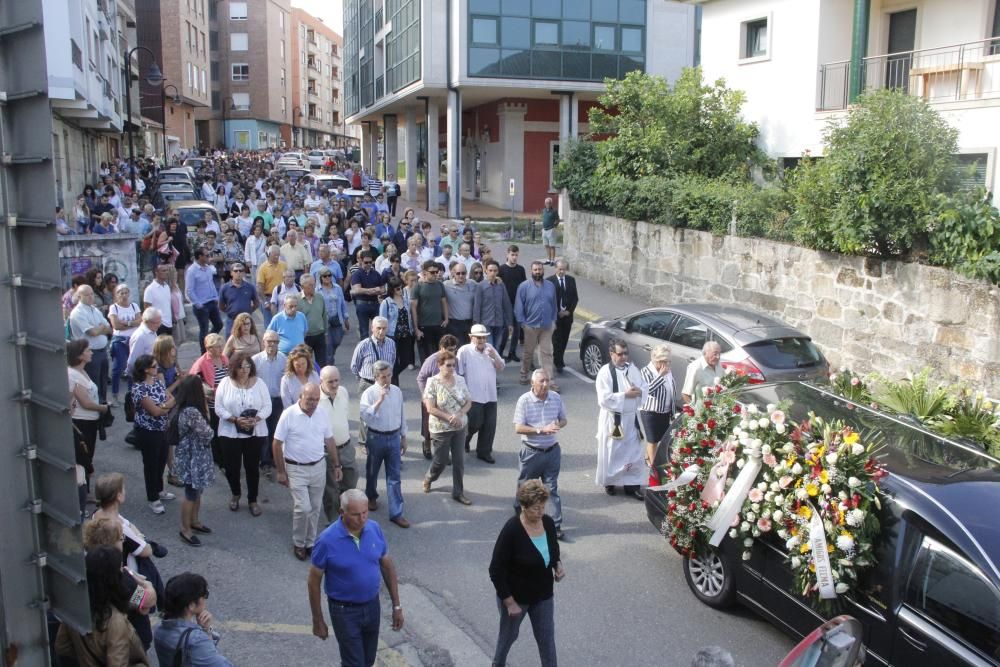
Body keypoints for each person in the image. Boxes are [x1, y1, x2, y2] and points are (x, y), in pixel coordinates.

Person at [308, 489, 403, 666]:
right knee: (355, 664)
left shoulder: (374, 529)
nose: (362, 519)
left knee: (368, 660)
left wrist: (397, 606)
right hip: (344, 611)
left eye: (365, 512)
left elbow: (387, 565)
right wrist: (317, 620)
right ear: (342, 513)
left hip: (372, 606)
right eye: (356, 514)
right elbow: (313, 581)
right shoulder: (326, 541)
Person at [489, 479, 565, 667]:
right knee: (508, 638)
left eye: (543, 507)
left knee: (547, 641)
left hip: (543, 595)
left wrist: (558, 564)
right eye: (536, 508)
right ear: (523, 506)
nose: (541, 512)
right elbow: (496, 570)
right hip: (517, 598)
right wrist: (509, 602)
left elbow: (553, 549)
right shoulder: (512, 530)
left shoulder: (546, 523)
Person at [273, 383, 342, 560]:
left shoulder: (322, 414)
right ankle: (298, 542)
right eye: (310, 399)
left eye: (317, 399)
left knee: (315, 507)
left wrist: (336, 465)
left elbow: (330, 440)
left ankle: (310, 542)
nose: (313, 403)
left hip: (318, 466)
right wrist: (281, 472)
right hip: (296, 468)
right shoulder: (289, 414)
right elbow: (276, 444)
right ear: (300, 396)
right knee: (303, 508)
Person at [55, 546, 150, 667]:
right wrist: (147, 585)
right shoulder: (116, 619)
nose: (123, 570)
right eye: (121, 538)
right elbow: (146, 600)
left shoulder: (75, 607)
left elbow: (62, 646)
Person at [512, 370, 567, 540]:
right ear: (532, 384)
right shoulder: (524, 401)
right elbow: (518, 428)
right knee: (526, 487)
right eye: (541, 381)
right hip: (531, 452)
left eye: (547, 381)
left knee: (552, 489)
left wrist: (557, 424)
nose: (545, 384)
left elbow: (564, 419)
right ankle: (520, 513)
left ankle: (555, 525)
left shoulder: (555, 398)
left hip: (552, 451)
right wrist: (540, 430)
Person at [215, 352, 272, 518]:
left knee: (252, 467)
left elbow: (267, 406)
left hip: (254, 432)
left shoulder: (259, 383)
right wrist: (235, 420)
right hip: (230, 433)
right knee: (232, 468)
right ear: (234, 367)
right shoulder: (225, 383)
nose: (245, 370)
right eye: (241, 366)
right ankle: (235, 493)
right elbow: (218, 408)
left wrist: (257, 418)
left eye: (248, 366)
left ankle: (252, 499)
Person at [164, 377, 215, 547]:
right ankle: (185, 528)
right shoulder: (192, 412)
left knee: (196, 490)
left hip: (193, 456)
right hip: (193, 457)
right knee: (191, 493)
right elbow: (207, 433)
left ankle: (194, 521)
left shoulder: (185, 407)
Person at [595, 339, 649, 499]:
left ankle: (632, 486)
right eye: (620, 354)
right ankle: (610, 483)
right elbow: (603, 399)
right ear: (612, 354)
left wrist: (639, 391)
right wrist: (625, 395)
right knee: (613, 452)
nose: (624, 357)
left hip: (631, 418)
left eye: (626, 353)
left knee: (634, 453)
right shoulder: (605, 372)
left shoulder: (633, 369)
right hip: (614, 420)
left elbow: (644, 387)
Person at [359, 361, 409, 528]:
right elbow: (365, 416)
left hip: (394, 437)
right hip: (376, 437)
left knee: (394, 476)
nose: (387, 380)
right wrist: (379, 401)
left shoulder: (397, 391)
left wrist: (403, 436)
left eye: (389, 375)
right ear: (375, 377)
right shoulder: (369, 393)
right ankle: (371, 496)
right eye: (383, 377)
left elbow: (401, 414)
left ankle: (396, 512)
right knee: (372, 471)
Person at [421, 350, 472, 505]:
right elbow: (430, 408)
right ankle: (430, 477)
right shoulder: (432, 382)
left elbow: (469, 401)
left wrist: (460, 414)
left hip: (460, 426)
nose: (451, 369)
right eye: (448, 365)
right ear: (439, 365)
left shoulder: (460, 380)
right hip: (441, 428)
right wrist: (449, 418)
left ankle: (458, 492)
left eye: (453, 365)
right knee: (441, 461)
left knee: (459, 461)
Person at [154, 572, 233, 666]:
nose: (205, 599)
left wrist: (206, 630)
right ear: (191, 605)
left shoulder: (159, 629)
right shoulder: (196, 640)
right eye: (205, 595)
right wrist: (144, 592)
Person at [130, 355, 176, 514]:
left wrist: (163, 406)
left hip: (162, 428)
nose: (157, 369)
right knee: (151, 464)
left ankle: (160, 489)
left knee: (162, 459)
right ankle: (152, 497)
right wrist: (164, 407)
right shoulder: (139, 388)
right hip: (148, 431)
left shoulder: (157, 382)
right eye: (154, 366)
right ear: (146, 370)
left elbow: (172, 399)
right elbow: (155, 411)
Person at [457, 324, 504, 463]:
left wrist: (494, 356)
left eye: (484, 337)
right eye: (479, 338)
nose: (482, 341)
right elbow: (459, 373)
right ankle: (465, 439)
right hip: (473, 395)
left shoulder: (490, 349)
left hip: (490, 394)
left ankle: (484, 451)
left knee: (489, 425)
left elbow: (501, 367)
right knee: (474, 424)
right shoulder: (464, 351)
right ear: (471, 338)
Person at [67, 339, 111, 488]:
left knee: (88, 455)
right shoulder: (73, 375)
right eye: (88, 350)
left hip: (90, 421)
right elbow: (85, 403)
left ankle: (85, 490)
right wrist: (103, 408)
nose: (91, 352)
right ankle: (82, 492)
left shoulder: (82, 371)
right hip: (82, 422)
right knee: (84, 457)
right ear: (79, 355)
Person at [318, 366, 355, 523]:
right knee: (331, 490)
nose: (334, 385)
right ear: (321, 381)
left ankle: (348, 517)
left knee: (350, 484)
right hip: (327, 452)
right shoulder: (316, 400)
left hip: (346, 447)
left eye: (336, 380)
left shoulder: (343, 392)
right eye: (330, 382)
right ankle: (334, 523)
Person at [514, 261, 559, 391]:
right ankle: (524, 374)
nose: (538, 272)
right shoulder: (524, 286)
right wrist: (522, 323)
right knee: (528, 352)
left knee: (547, 352)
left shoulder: (550, 286)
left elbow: (554, 304)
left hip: (547, 325)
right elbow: (518, 306)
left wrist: (553, 321)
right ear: (531, 271)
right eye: (535, 270)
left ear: (543, 271)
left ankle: (549, 381)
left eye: (540, 269)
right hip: (530, 326)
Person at [69, 285, 112, 403]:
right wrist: (101, 327)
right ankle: (96, 408)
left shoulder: (95, 310)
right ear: (79, 296)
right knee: (94, 383)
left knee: (103, 382)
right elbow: (92, 332)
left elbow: (109, 328)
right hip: (90, 354)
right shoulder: (78, 313)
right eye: (87, 295)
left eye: (92, 294)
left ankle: (103, 405)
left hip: (102, 351)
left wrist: (100, 328)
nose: (91, 297)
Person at [252, 331, 287, 475]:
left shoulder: (284, 359)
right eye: (269, 341)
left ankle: (274, 458)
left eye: (275, 342)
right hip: (262, 402)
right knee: (263, 432)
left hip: (278, 400)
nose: (272, 344)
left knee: (276, 431)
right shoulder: (255, 360)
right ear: (263, 342)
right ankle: (264, 461)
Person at [640, 343, 676, 469]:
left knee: (663, 440)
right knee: (653, 440)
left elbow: (671, 388)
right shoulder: (646, 371)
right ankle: (653, 468)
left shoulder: (667, 370)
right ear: (656, 360)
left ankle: (649, 457)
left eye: (668, 361)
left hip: (665, 411)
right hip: (650, 412)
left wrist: (673, 410)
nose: (666, 364)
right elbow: (648, 391)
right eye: (663, 361)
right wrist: (660, 376)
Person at [108, 284, 142, 405]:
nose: (123, 295)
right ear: (116, 295)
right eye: (120, 293)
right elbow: (116, 325)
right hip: (120, 340)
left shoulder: (134, 306)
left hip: (133, 339)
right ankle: (115, 394)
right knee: (119, 367)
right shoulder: (114, 308)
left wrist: (126, 322)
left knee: (132, 366)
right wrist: (132, 323)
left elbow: (140, 321)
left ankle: (131, 394)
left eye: (125, 292)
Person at [186, 248, 224, 353]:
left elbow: (211, 285)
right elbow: (189, 290)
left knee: (219, 324)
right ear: (200, 257)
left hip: (212, 302)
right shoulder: (192, 270)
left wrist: (216, 297)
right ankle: (204, 353)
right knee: (204, 329)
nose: (209, 258)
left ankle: (209, 342)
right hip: (202, 305)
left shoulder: (208, 268)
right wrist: (198, 304)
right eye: (206, 256)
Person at [410, 260, 449, 361]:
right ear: (424, 272)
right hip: (424, 325)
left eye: (437, 272)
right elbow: (413, 308)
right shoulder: (418, 287)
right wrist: (416, 329)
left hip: (438, 325)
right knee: (427, 357)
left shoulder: (440, 285)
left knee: (440, 355)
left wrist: (446, 319)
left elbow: (444, 302)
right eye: (432, 272)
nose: (435, 274)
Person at [378, 278, 413, 385]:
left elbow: (409, 316)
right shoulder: (386, 302)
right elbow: (381, 320)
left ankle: (390, 376)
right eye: (398, 288)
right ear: (392, 289)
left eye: (402, 288)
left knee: (406, 360)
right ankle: (394, 385)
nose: (401, 290)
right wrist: (381, 336)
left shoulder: (406, 300)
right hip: (392, 335)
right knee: (393, 361)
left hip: (406, 334)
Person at [473, 260, 513, 349]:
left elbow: (506, 304)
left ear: (498, 272)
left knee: (497, 346)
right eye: (490, 270)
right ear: (486, 271)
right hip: (486, 322)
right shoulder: (481, 286)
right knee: (489, 347)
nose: (492, 273)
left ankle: (495, 363)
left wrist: (510, 322)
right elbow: (477, 306)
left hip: (499, 322)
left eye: (495, 271)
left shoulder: (501, 285)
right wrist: (476, 323)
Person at [547, 259, 578, 374]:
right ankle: (558, 362)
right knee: (556, 340)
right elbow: (548, 300)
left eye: (563, 269)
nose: (561, 271)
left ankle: (559, 359)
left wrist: (569, 311)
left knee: (564, 340)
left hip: (567, 317)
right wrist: (557, 312)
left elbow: (575, 298)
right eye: (559, 269)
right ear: (555, 268)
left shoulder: (571, 280)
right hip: (555, 317)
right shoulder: (549, 281)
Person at [498, 245, 526, 362]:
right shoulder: (501, 269)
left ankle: (512, 352)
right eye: (512, 255)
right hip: (505, 304)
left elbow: (524, 287)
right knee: (505, 330)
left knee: (517, 330)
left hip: (518, 304)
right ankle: (499, 352)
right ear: (507, 254)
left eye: (516, 255)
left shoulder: (521, 269)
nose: (514, 257)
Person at [317, 267, 350, 365]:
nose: (327, 278)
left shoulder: (337, 288)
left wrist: (346, 318)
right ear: (320, 278)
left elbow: (343, 303)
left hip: (337, 318)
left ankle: (330, 354)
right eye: (325, 276)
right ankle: (329, 364)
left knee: (337, 341)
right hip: (325, 321)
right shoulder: (317, 290)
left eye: (329, 275)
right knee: (328, 345)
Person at [218, 262, 259, 339]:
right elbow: (221, 306)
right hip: (232, 321)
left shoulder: (250, 287)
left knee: (248, 342)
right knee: (230, 344)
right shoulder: (225, 288)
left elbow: (256, 303)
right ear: (231, 273)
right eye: (236, 271)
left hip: (246, 321)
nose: (238, 273)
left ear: (243, 273)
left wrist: (249, 311)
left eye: (241, 271)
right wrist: (230, 311)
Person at [350, 251, 384, 340]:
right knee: (364, 331)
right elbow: (357, 289)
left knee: (378, 329)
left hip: (375, 303)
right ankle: (365, 351)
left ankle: (377, 350)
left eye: (370, 262)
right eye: (366, 262)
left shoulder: (375, 273)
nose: (368, 264)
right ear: (361, 261)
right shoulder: (357, 274)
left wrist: (376, 291)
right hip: (362, 304)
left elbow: (383, 289)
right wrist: (372, 290)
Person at [298, 275, 329, 367]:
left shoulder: (319, 297)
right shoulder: (297, 300)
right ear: (302, 286)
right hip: (305, 337)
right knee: (307, 363)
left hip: (319, 335)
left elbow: (324, 316)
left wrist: (326, 333)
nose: (313, 287)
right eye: (310, 285)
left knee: (322, 363)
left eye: (314, 284)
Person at [443, 261, 476, 344]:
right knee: (459, 348)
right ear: (453, 273)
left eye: (463, 273)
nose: (461, 275)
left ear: (467, 273)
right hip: (454, 323)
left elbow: (484, 285)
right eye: (458, 273)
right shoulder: (446, 285)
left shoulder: (473, 284)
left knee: (470, 347)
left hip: (470, 322)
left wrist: (496, 279)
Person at [256, 246, 287, 327]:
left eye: (278, 255)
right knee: (270, 323)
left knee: (283, 321)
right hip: (269, 298)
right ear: (269, 255)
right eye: (274, 255)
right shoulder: (263, 268)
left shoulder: (283, 265)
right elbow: (260, 287)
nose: (276, 257)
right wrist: (265, 301)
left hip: (282, 296)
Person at [126, 307, 161, 375]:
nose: (159, 325)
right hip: (143, 375)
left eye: (160, 322)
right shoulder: (140, 336)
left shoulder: (152, 330)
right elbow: (132, 361)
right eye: (156, 323)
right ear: (147, 321)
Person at [540, 197, 560, 266]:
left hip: (551, 230)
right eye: (546, 203)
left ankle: (552, 260)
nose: (547, 204)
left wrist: (554, 226)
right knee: (546, 245)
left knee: (552, 246)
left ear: (551, 203)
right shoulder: (544, 210)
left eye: (549, 203)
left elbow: (557, 219)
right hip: (544, 230)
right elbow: (543, 219)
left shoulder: (554, 211)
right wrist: (542, 228)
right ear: (544, 203)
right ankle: (548, 259)